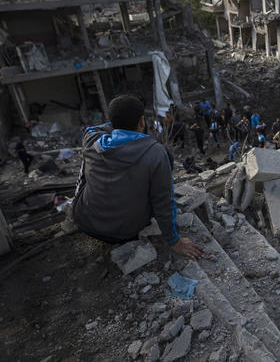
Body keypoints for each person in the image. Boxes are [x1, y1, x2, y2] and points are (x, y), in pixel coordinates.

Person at [72, 95, 203, 259]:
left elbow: (95, 128)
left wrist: (117, 123)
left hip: (85, 222)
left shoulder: (91, 138)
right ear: (142, 121)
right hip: (125, 233)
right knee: (156, 188)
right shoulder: (156, 153)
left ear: (113, 122)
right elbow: (163, 203)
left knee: (87, 166)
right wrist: (174, 241)